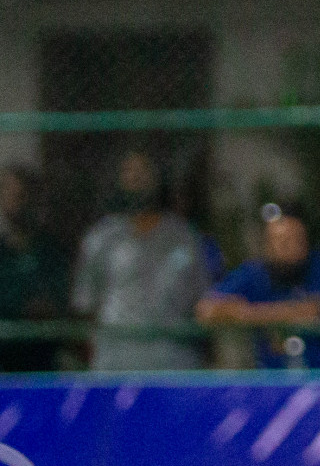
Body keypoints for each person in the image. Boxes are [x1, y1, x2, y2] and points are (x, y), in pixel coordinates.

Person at [72, 151, 209, 371]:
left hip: (172, 360)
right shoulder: (102, 237)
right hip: (115, 361)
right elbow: (86, 305)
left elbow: (202, 302)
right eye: (129, 172)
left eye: (143, 172)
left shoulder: (183, 237)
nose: (136, 179)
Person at [196, 202, 320, 369]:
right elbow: (205, 310)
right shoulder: (255, 272)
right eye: (277, 240)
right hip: (274, 377)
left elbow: (313, 309)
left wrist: (248, 314)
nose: (284, 247)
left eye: (293, 239)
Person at [0, 165, 70, 372]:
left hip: (44, 361)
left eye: (22, 196)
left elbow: (61, 303)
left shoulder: (51, 251)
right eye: (10, 194)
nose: (16, 203)